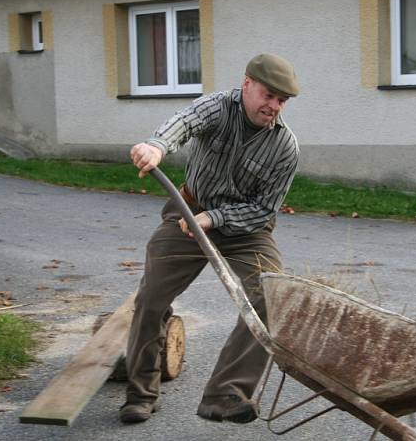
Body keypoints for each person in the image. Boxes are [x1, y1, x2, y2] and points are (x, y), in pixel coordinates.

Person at [120, 53, 301, 425]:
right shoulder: (218, 108)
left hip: (245, 231)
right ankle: (140, 393)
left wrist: (214, 218)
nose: (274, 107)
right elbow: (184, 122)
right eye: (269, 95)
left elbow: (263, 210)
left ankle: (226, 394)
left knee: (270, 295)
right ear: (247, 84)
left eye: (282, 101)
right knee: (151, 299)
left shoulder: (285, 147)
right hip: (186, 213)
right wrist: (155, 146)